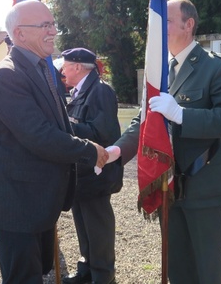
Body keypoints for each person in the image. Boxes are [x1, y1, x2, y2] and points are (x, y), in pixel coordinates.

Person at [111, 0, 221, 284]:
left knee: (208, 270)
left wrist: (182, 115)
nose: (158, 29)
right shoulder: (157, 72)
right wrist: (115, 151)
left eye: (167, 21)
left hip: (202, 185)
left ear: (189, 25)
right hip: (167, 185)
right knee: (178, 268)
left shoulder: (217, 67)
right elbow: (143, 122)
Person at [0, 0, 109, 284]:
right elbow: (37, 134)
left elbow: (57, 124)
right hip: (17, 202)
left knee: (38, 272)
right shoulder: (7, 74)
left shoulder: (39, 67)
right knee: (23, 278)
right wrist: (88, 150)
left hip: (36, 199)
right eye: (44, 25)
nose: (53, 31)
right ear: (20, 34)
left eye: (53, 24)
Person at [60, 48, 122, 284]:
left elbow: (102, 132)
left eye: (65, 66)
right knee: (82, 222)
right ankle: (87, 267)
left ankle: (103, 275)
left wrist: (65, 128)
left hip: (97, 171)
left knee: (98, 225)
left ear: (77, 67)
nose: (63, 71)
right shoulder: (80, 91)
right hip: (80, 170)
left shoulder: (100, 91)